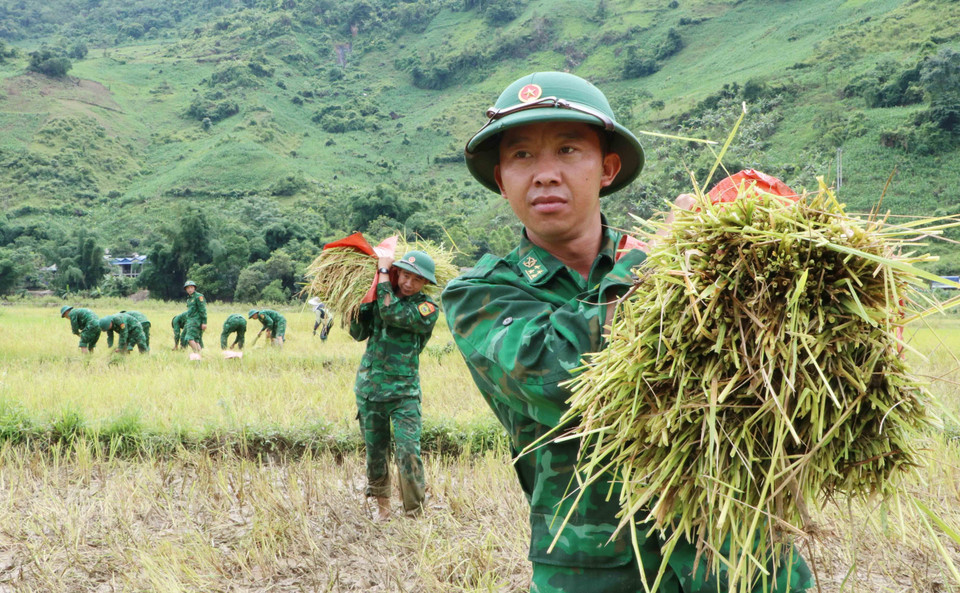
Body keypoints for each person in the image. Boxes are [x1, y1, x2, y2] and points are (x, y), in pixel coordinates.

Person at [441, 72, 813, 592]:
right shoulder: (480, 294)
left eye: (568, 150)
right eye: (522, 156)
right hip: (600, 572)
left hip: (742, 560)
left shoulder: (700, 264)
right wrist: (659, 262)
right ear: (502, 180)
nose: (545, 174)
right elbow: (558, 377)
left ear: (608, 169)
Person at [349, 250, 440, 521]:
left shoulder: (427, 309)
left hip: (404, 394)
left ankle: (414, 512)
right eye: (405, 275)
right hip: (370, 389)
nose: (409, 283)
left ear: (425, 284)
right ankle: (383, 509)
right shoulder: (381, 296)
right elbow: (358, 333)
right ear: (399, 273)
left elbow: (391, 313)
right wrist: (356, 304)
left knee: (408, 450)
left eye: (417, 280)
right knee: (375, 452)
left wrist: (383, 272)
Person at [182, 280, 207, 358]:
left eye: (191, 287)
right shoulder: (189, 299)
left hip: (196, 321)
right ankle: (201, 356)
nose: (190, 289)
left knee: (189, 338)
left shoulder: (198, 296)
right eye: (188, 288)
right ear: (186, 289)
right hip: (190, 321)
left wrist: (204, 322)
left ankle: (196, 355)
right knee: (196, 340)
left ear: (194, 288)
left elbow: (202, 310)